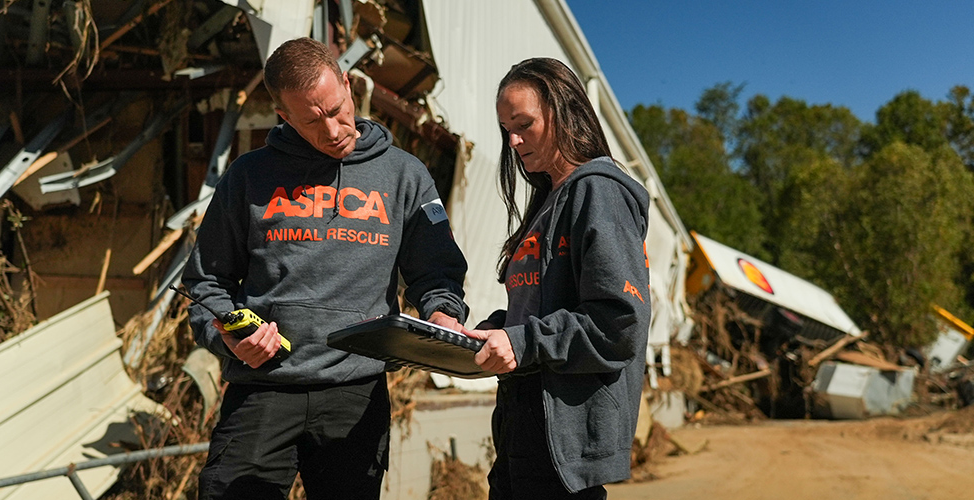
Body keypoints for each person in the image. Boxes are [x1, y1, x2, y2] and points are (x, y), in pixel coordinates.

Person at [181, 37, 468, 500]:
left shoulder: (404, 175)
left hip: (355, 392)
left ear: (349, 87)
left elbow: (437, 273)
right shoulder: (248, 176)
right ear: (284, 116)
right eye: (313, 121)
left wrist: (441, 316)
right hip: (262, 389)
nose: (333, 130)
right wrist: (228, 339)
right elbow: (205, 283)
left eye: (337, 109)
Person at [464, 58, 652, 499]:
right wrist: (492, 331)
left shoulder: (599, 192)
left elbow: (619, 322)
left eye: (524, 123)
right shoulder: (550, 200)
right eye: (506, 128)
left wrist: (523, 341)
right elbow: (542, 309)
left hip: (563, 430)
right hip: (524, 422)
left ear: (563, 113)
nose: (513, 140)